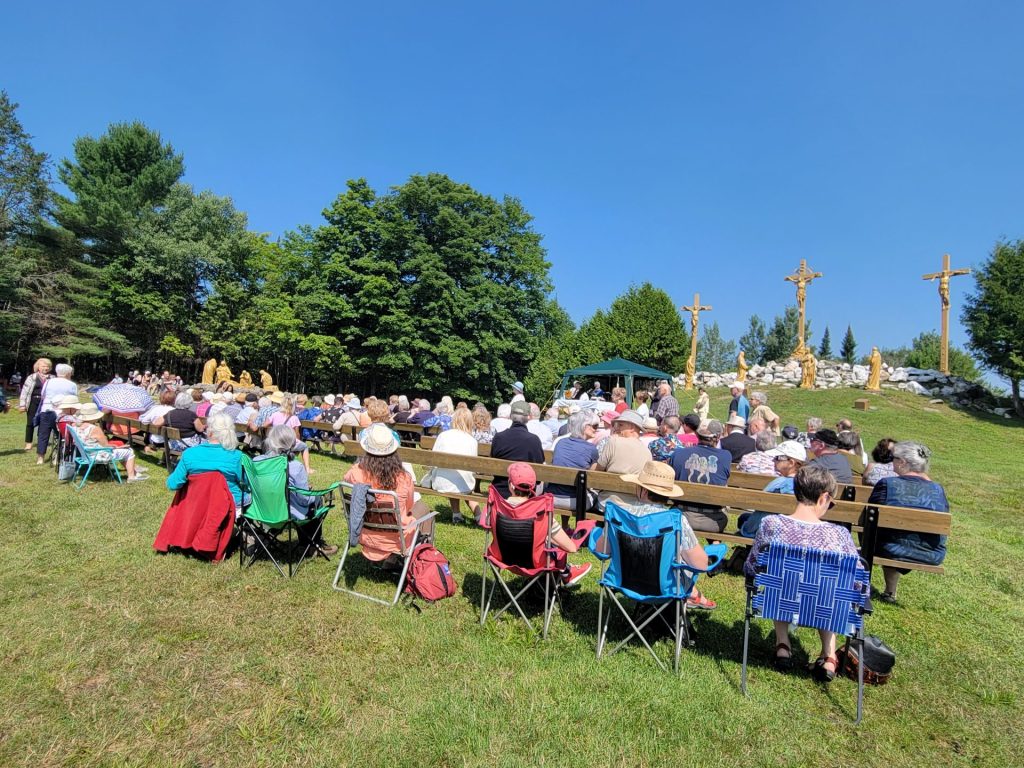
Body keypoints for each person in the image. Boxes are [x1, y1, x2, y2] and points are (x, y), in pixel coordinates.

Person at [744, 464, 858, 681]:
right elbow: (856, 581)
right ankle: (830, 656)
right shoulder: (840, 535)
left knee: (783, 582)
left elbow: (752, 566)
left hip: (780, 600)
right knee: (830, 588)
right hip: (824, 606)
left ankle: (783, 646)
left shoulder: (771, 524)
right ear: (824, 497)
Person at [595, 460, 715, 609]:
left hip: (623, 581)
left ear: (643, 490)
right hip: (665, 588)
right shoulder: (675, 520)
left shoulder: (620, 515)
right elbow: (701, 564)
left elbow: (601, 551)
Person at [869, 441, 949, 604]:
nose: (892, 461)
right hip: (932, 554)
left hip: (890, 549)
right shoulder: (938, 490)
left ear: (903, 462)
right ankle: (889, 592)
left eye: (894, 458)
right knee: (895, 534)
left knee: (883, 532)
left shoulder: (887, 484)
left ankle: (865, 585)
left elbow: (867, 518)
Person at [343, 424, 436, 563]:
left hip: (364, 532)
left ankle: (396, 560)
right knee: (423, 508)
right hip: (397, 539)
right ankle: (422, 559)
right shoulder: (403, 478)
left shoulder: (357, 472)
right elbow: (409, 506)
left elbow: (346, 478)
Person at [502, 463, 592, 585]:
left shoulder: (498, 507)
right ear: (533, 487)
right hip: (535, 564)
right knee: (557, 549)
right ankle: (567, 573)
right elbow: (570, 547)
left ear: (511, 486)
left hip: (503, 558)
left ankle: (565, 573)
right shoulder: (542, 514)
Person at [256, 425, 338, 555]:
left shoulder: (257, 462)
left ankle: (266, 539)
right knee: (315, 500)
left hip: (261, 513)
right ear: (292, 444)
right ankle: (311, 545)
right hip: (288, 515)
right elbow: (305, 499)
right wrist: (309, 492)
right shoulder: (295, 467)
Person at [167, 413, 246, 510]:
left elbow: (173, 484)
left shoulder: (189, 454)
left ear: (210, 432)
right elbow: (245, 482)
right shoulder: (237, 456)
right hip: (229, 503)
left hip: (197, 502)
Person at [737, 440, 808, 537]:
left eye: (777, 458)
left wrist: (746, 529)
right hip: (795, 533)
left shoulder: (778, 485)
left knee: (743, 519)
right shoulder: (807, 485)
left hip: (768, 531)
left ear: (791, 463)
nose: (773, 460)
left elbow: (758, 518)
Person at [670, 419, 731, 533]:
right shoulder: (725, 456)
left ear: (697, 434)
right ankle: (714, 546)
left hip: (681, 516)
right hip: (713, 520)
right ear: (718, 437)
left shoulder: (678, 453)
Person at [428, 407, 481, 524]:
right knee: (460, 479)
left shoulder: (443, 435)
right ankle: (479, 516)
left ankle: (456, 514)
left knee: (451, 476)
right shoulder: (472, 441)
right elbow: (473, 466)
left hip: (442, 482)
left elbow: (433, 457)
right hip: (465, 483)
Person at [73, 403, 149, 482]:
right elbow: (106, 445)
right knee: (129, 451)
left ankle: (135, 472)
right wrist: (116, 447)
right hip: (98, 455)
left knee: (122, 451)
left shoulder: (76, 426)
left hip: (86, 454)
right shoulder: (94, 429)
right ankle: (131, 477)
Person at [595, 410, 651, 509]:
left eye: (620, 425)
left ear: (632, 428)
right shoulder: (647, 452)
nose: (616, 429)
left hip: (608, 502)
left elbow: (597, 472)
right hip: (634, 505)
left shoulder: (613, 442)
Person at [547, 410, 600, 512]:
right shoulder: (591, 449)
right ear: (585, 427)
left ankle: (565, 526)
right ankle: (582, 527)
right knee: (598, 496)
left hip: (553, 497)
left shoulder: (560, 442)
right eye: (595, 426)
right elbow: (594, 476)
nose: (596, 430)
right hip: (576, 500)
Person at [490, 401, 544, 498]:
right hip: (526, 493)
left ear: (511, 416)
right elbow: (538, 474)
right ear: (528, 417)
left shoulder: (498, 437)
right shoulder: (534, 440)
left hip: (500, 491)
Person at [35, 363, 78, 465]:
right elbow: (74, 399)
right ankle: (58, 457)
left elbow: (43, 395)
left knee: (43, 434)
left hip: (46, 409)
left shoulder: (48, 382)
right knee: (61, 435)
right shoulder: (72, 385)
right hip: (62, 412)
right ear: (68, 373)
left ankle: (40, 458)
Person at [19, 357, 53, 451]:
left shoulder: (52, 378)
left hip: (46, 403)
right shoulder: (31, 377)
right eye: (43, 366)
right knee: (30, 423)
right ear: (38, 367)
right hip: (33, 401)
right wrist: (22, 404)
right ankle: (28, 443)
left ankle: (40, 442)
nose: (45, 368)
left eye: (47, 366)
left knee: (43, 423)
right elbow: (24, 392)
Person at [139, 389, 177, 455]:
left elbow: (144, 421)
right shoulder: (175, 411)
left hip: (152, 440)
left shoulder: (156, 409)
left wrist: (152, 422)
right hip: (166, 441)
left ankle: (148, 448)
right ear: (174, 400)